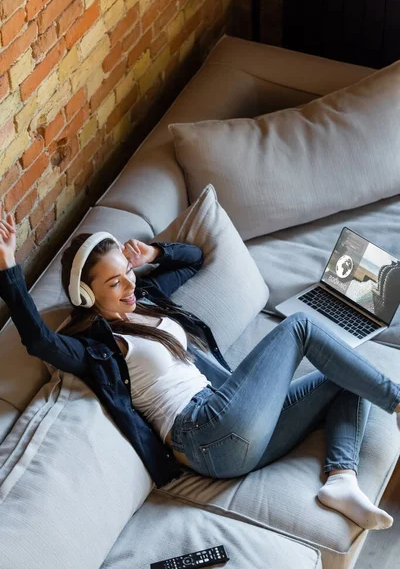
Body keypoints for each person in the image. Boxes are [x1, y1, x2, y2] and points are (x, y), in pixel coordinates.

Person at [1, 212, 399, 532]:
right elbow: (40, 341)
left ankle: (341, 479)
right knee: (299, 328)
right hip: (203, 433)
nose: (128, 284)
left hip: (230, 428)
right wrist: (8, 268)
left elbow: (194, 258)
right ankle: (396, 401)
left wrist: (151, 255)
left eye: (127, 272)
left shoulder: (147, 299)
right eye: (113, 282)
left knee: (347, 377)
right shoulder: (96, 345)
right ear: (87, 295)